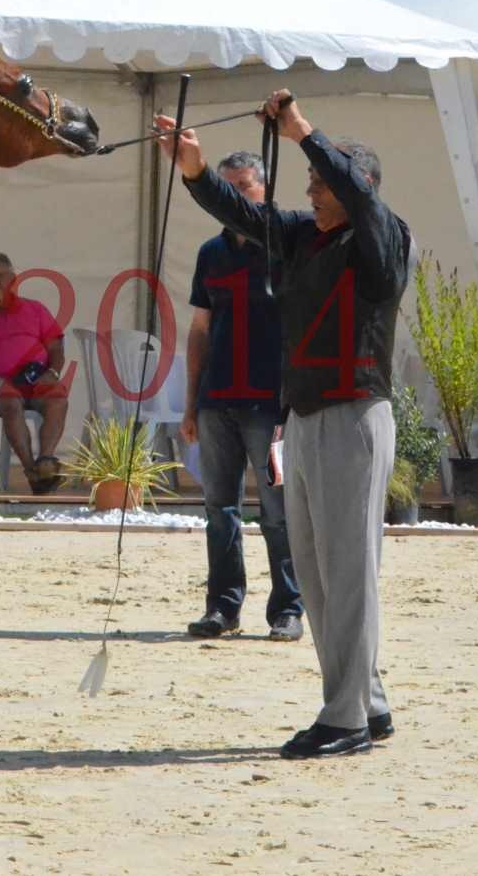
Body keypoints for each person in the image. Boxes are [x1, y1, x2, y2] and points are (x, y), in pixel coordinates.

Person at [158, 90, 410, 760]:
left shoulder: (383, 238)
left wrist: (302, 132)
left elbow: (358, 201)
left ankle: (344, 717)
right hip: (301, 417)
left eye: (323, 183)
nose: (312, 192)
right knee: (322, 573)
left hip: (353, 416)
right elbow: (241, 211)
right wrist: (193, 169)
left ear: (359, 188)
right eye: (310, 183)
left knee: (346, 574)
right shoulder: (302, 235)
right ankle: (367, 702)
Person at [180, 151, 303, 643]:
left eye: (243, 187)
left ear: (264, 191)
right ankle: (223, 607)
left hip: (270, 407)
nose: (231, 196)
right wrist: (191, 403)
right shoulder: (210, 253)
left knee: (277, 510)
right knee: (219, 509)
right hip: (217, 403)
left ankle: (288, 610)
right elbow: (199, 329)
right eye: (225, 187)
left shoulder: (284, 247)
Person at [0, 251, 68, 494]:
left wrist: (54, 372)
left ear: (13, 280)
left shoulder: (35, 309)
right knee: (10, 403)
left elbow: (56, 347)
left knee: (58, 397)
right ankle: (32, 472)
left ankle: (46, 460)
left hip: (36, 377)